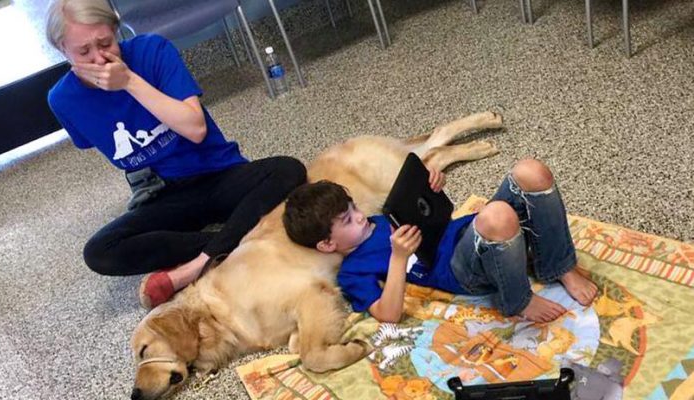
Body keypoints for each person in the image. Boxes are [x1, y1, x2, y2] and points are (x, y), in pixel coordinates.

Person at [45, 0, 306, 309]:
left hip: (217, 173)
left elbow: (195, 129)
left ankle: (195, 266)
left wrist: (129, 82)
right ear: (63, 50)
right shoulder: (63, 100)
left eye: (105, 44)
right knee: (99, 252)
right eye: (84, 52)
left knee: (288, 170)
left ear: (116, 32)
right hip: (163, 195)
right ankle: (238, 245)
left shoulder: (152, 50)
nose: (100, 58)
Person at [283, 159, 598, 323]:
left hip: (468, 231)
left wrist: (433, 189)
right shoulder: (352, 271)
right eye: (347, 220)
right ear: (327, 245)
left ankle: (559, 266)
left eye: (353, 208)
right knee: (498, 216)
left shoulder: (382, 217)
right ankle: (518, 301)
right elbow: (388, 314)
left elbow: (434, 219)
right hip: (462, 269)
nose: (359, 216)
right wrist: (397, 258)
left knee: (531, 171)